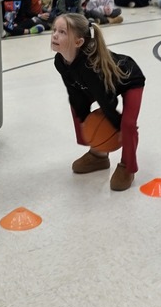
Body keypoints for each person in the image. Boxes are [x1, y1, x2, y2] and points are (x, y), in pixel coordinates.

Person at [51, 13, 145, 192]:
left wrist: (117, 127)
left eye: (62, 32)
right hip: (99, 87)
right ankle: (99, 155)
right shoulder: (60, 62)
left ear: (78, 42)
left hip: (129, 79)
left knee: (128, 124)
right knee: (76, 106)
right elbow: (74, 91)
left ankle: (128, 167)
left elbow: (106, 99)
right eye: (54, 30)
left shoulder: (90, 65)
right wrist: (85, 120)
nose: (55, 35)